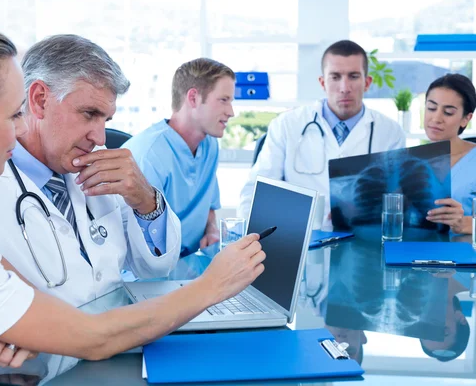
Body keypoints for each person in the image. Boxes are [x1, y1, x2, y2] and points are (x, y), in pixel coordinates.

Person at [0, 20, 266, 385]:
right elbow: (90, 336)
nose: (20, 127)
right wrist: (213, 285)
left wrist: (12, 321)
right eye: (13, 115)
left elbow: (9, 290)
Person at [0, 35, 182, 307]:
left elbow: (156, 269)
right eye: (89, 114)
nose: (100, 138)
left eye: (106, 119)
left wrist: (146, 200)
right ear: (40, 100)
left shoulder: (100, 169)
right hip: (51, 345)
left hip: (119, 335)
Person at [238, 40, 406, 222]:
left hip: (363, 240)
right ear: (322, 82)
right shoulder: (287, 125)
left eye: (354, 76)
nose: (344, 88)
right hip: (301, 238)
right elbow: (256, 192)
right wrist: (251, 241)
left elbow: (398, 201)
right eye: (335, 77)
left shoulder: (390, 132)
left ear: (367, 82)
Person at [123, 58, 235, 255]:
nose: (231, 112)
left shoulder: (210, 145)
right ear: (193, 98)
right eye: (223, 100)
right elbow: (138, 246)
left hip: (191, 262)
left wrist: (212, 230)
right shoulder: (148, 155)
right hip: (151, 270)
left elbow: (208, 205)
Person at [422, 74, 476, 234]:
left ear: (466, 119)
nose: (436, 118)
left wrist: (467, 224)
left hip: (465, 254)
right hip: (414, 251)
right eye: (431, 108)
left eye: (448, 112)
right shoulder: (409, 161)